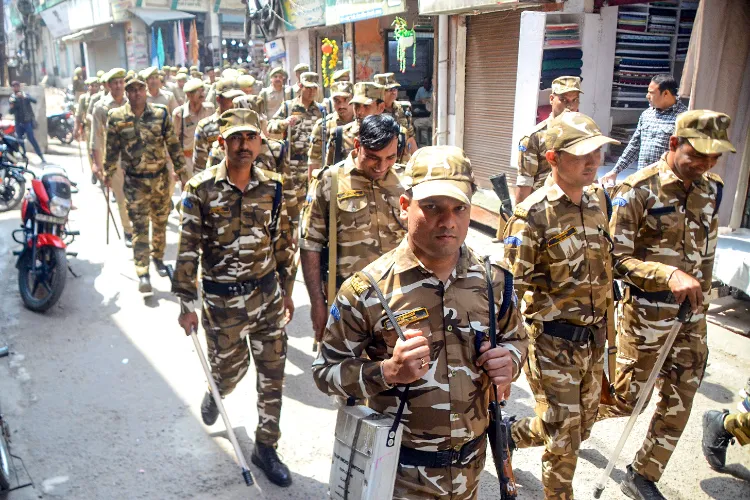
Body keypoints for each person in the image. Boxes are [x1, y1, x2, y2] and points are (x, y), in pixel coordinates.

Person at [312, 145, 527, 499]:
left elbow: (516, 338)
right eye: (432, 207)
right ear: (404, 205)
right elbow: (324, 373)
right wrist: (387, 372)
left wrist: (511, 361)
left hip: (472, 469)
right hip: (399, 474)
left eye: (459, 208)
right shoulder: (368, 290)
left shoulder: (493, 280)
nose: (448, 221)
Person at [596, 110, 735, 500]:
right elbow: (616, 260)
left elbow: (704, 252)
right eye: (698, 156)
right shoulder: (637, 190)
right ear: (674, 145)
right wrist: (666, 274)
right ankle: (542, 430)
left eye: (714, 158)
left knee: (681, 396)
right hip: (647, 317)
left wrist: (699, 293)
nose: (706, 165)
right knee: (626, 401)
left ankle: (642, 474)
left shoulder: (713, 189)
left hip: (693, 316)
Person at [172, 108, 295, 487]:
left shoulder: (274, 186)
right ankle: (216, 391)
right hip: (223, 305)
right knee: (229, 372)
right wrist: (185, 304)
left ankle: (266, 446)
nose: (244, 145)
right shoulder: (200, 189)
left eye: (251, 137)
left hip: (267, 298)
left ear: (260, 142)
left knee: (272, 374)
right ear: (221, 142)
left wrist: (287, 294)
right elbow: (188, 248)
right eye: (236, 138)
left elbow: (283, 244)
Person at [502, 111, 619, 499]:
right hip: (552, 344)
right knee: (564, 443)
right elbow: (509, 293)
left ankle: (509, 435)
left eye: (597, 152)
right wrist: (508, 357)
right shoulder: (532, 215)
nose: (593, 162)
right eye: (581, 154)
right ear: (552, 159)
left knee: (581, 425)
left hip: (592, 341)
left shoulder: (599, 200)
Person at [300, 114, 407, 343]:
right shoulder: (330, 181)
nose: (382, 166)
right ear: (357, 145)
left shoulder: (405, 182)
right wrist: (317, 304)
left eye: (390, 157)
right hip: (348, 304)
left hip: (399, 300)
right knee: (344, 374)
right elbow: (310, 244)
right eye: (373, 158)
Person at [103, 76, 189, 294]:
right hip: (134, 182)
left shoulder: (160, 114)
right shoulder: (116, 117)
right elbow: (111, 149)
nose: (136, 94)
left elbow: (172, 145)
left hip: (160, 180)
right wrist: (107, 172)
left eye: (139, 89)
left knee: (160, 224)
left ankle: (158, 258)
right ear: (127, 93)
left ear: (145, 91)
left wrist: (182, 173)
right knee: (140, 228)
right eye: (131, 90)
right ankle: (143, 272)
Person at [600, 74, 688, 185]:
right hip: (642, 181)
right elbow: (634, 146)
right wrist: (615, 171)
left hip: (668, 184)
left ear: (666, 93)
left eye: (651, 93)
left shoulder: (684, 118)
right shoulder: (647, 115)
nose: (647, 96)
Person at [515, 76, 583, 205]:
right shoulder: (535, 137)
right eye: (563, 100)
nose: (570, 106)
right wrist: (519, 220)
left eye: (575, 100)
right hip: (544, 210)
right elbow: (525, 182)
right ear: (551, 99)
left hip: (575, 207)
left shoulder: (584, 134)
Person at [267, 72, 324, 214]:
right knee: (293, 207)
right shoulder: (288, 107)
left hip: (315, 165)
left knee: (315, 205)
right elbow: (270, 126)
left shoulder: (321, 110)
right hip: (293, 166)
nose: (311, 92)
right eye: (308, 88)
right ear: (300, 86)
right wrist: (284, 123)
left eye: (314, 89)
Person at [323, 82, 411, 170]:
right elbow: (330, 173)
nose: (360, 112)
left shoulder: (397, 135)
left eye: (366, 106)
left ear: (380, 107)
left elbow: (405, 171)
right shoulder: (340, 134)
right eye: (356, 105)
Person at [91, 69, 134, 247]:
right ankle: (128, 230)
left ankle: (139, 227)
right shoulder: (101, 107)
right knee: (122, 196)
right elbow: (96, 137)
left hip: (134, 155)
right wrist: (97, 163)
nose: (118, 86)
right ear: (108, 85)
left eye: (121, 82)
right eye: (115, 83)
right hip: (114, 158)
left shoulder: (132, 101)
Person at [193, 78, 245, 173]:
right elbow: (199, 164)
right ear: (218, 99)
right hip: (216, 182)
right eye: (230, 99)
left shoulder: (246, 124)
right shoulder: (205, 127)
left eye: (237, 98)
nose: (235, 103)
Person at [307, 81, 354, 177]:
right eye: (337, 101)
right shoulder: (323, 126)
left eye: (346, 100)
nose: (341, 105)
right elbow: (314, 162)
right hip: (332, 181)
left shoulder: (362, 124)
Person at [172, 79, 214, 178]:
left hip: (208, 157)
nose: (202, 94)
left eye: (202, 90)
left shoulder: (209, 109)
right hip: (188, 159)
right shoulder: (179, 114)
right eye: (198, 91)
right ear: (189, 95)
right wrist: (176, 167)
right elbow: (173, 141)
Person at [374, 72, 417, 154]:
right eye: (389, 90)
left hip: (402, 157)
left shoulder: (404, 108)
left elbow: (411, 138)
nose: (393, 92)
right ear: (379, 92)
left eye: (395, 88)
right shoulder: (372, 110)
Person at [9, 81, 46, 163]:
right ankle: (24, 156)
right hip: (18, 123)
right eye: (14, 87)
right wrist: (13, 105)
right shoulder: (12, 98)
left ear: (19, 87)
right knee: (20, 141)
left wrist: (24, 97)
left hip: (27, 122)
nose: (16, 88)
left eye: (17, 86)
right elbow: (11, 112)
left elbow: (34, 101)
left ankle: (41, 156)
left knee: (32, 139)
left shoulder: (25, 95)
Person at [75, 77, 100, 182]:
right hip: (89, 128)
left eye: (95, 86)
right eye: (91, 85)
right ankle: (93, 171)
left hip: (101, 128)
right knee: (91, 151)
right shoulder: (83, 98)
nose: (93, 88)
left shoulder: (102, 97)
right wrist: (76, 128)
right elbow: (79, 114)